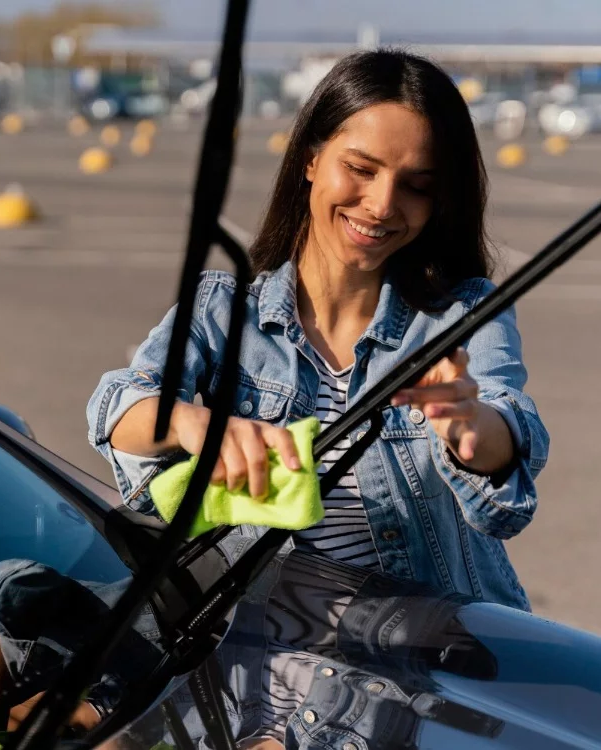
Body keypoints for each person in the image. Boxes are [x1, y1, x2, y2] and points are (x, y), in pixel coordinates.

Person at [87, 48, 549, 619]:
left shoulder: (467, 312)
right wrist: (192, 423)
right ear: (310, 158)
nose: (382, 204)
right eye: (361, 169)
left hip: (437, 652)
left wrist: (471, 430)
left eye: (417, 185)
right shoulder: (222, 310)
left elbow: (506, 439)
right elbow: (117, 406)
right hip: (269, 651)